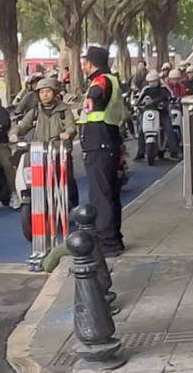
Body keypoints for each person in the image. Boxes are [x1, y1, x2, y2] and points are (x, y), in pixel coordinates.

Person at [78, 45, 125, 256]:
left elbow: (92, 103)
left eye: (84, 62)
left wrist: (85, 104)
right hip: (108, 140)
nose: (82, 66)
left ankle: (107, 242)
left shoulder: (99, 81)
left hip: (98, 143)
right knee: (110, 192)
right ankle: (113, 238)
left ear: (90, 63)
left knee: (101, 195)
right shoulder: (112, 79)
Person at [11, 77, 78, 209]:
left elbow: (71, 126)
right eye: (42, 92)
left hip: (59, 150)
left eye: (48, 91)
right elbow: (23, 125)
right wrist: (14, 133)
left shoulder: (64, 110)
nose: (45, 95)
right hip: (39, 150)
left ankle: (73, 204)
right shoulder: (35, 111)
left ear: (55, 92)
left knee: (67, 178)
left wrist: (67, 133)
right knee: (33, 177)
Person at [136, 71, 180, 160]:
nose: (152, 83)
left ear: (158, 80)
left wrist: (169, 101)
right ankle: (140, 153)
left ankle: (174, 152)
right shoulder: (146, 89)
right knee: (141, 130)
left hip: (162, 112)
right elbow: (139, 100)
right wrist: (138, 103)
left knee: (169, 128)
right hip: (148, 113)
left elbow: (171, 96)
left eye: (154, 81)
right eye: (150, 82)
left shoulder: (164, 88)